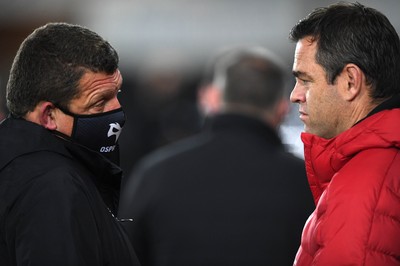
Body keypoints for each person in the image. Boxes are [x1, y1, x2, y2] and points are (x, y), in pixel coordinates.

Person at [118, 46, 315, 265]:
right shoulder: (307, 181)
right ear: (282, 108)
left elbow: (126, 254)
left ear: (214, 99)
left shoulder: (154, 174)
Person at [0, 22, 141, 265]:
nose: (116, 111)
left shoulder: (20, 162)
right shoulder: (52, 186)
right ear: (48, 115)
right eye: (100, 102)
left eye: (117, 94)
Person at [289, 2, 400, 265]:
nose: (295, 95)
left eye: (306, 80)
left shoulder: (362, 190)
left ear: (351, 81)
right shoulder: (377, 168)